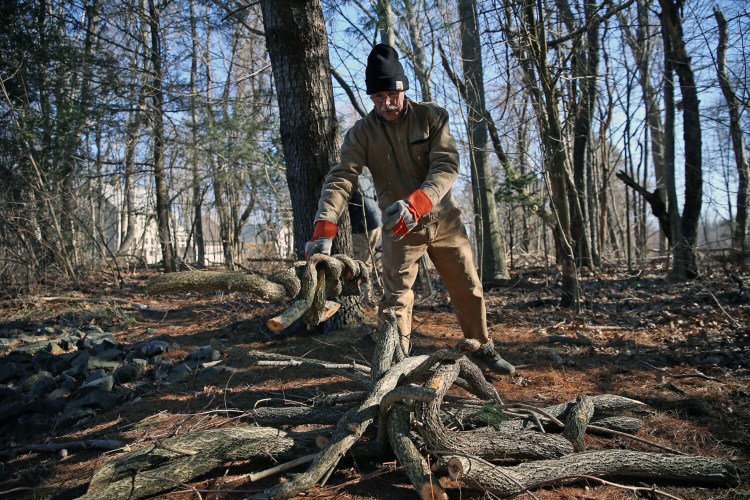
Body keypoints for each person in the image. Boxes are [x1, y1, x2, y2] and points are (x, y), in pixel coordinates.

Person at [305, 43, 514, 374]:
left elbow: (446, 165)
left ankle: (482, 348)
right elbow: (341, 178)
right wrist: (324, 228)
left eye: (391, 94)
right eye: (377, 98)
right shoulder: (361, 134)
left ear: (403, 88)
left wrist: (418, 202)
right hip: (399, 228)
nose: (385, 103)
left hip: (443, 220)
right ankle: (397, 362)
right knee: (395, 299)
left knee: (468, 287)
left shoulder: (431, 116)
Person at [348, 187, 382, 303]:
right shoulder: (364, 178)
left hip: (361, 228)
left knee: (359, 264)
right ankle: (366, 296)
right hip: (376, 225)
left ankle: (363, 298)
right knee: (366, 261)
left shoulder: (347, 179)